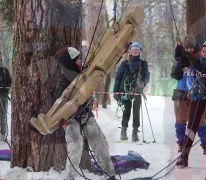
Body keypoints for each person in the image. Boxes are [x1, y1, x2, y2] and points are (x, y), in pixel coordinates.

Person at [55, 47, 116, 180]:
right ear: (69, 62)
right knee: (75, 145)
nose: (80, 61)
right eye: (77, 59)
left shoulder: (84, 73)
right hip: (71, 119)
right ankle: (70, 177)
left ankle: (110, 175)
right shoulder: (63, 80)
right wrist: (62, 118)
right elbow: (58, 104)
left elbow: (102, 66)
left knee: (100, 143)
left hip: (86, 115)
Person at [176, 39, 206, 168]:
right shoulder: (197, 60)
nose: (204, 54)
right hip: (197, 96)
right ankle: (184, 156)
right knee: (191, 125)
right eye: (203, 51)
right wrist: (180, 46)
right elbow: (183, 56)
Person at [172, 35, 206, 155]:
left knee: (201, 121)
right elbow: (175, 75)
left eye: (191, 48)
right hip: (181, 93)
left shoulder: (199, 59)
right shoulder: (180, 58)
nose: (189, 50)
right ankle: (181, 144)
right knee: (180, 120)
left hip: (196, 94)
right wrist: (181, 65)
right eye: (186, 48)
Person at [113, 41, 150, 142]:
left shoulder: (143, 64)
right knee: (127, 110)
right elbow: (118, 78)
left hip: (137, 90)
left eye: (137, 50)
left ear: (140, 51)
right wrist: (115, 91)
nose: (135, 51)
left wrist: (143, 82)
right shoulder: (124, 64)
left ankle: (135, 132)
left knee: (136, 111)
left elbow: (146, 75)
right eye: (133, 49)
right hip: (126, 90)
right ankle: (123, 131)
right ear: (130, 51)